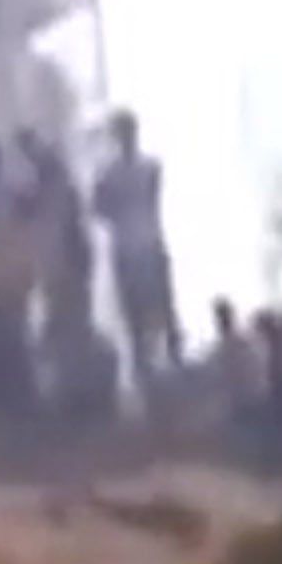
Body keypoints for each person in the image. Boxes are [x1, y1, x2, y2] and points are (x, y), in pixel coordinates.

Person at [90, 114, 182, 396]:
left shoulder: (127, 170)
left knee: (157, 311)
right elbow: (99, 209)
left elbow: (101, 209)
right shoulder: (129, 170)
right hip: (138, 246)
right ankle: (152, 370)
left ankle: (167, 363)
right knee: (142, 317)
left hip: (142, 246)